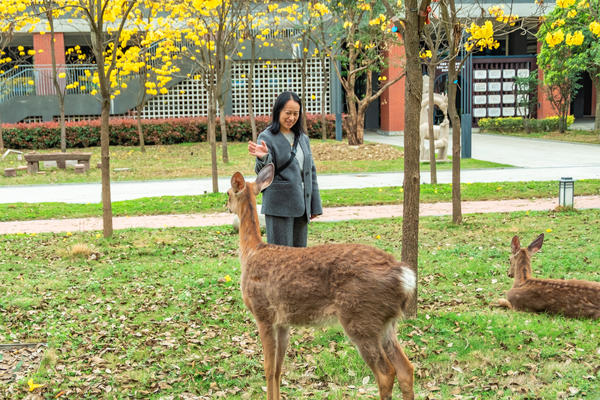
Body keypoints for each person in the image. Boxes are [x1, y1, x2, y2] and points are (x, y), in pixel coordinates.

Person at [248, 91, 322, 247]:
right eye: (288, 113)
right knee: (279, 256)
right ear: (278, 111)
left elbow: (310, 172)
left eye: (296, 114)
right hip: (278, 205)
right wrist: (264, 158)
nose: (292, 118)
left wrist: (314, 205)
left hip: (301, 205)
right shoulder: (267, 137)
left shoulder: (303, 138)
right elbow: (262, 173)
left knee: (299, 257)